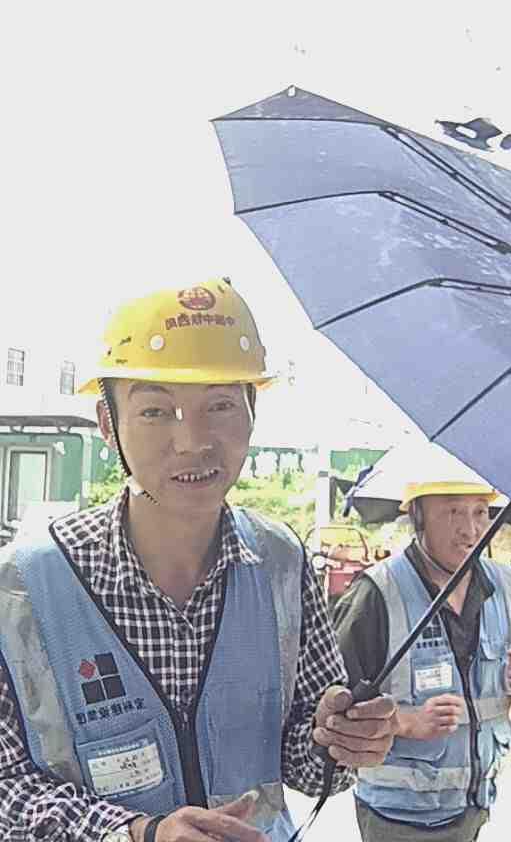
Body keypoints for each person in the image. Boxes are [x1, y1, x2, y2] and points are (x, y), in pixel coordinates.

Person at [0, 279, 398, 842]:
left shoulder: (281, 562)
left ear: (252, 411)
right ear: (109, 423)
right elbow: (7, 788)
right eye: (156, 410)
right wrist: (138, 832)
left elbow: (306, 766)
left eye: (220, 405)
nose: (192, 441)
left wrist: (341, 741)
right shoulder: (21, 587)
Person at [333, 475, 511, 842]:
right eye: (453, 512)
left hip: (474, 807)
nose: (470, 530)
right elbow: (335, 712)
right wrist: (407, 722)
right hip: (398, 817)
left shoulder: (507, 585)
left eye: (480, 512)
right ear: (418, 516)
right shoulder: (377, 593)